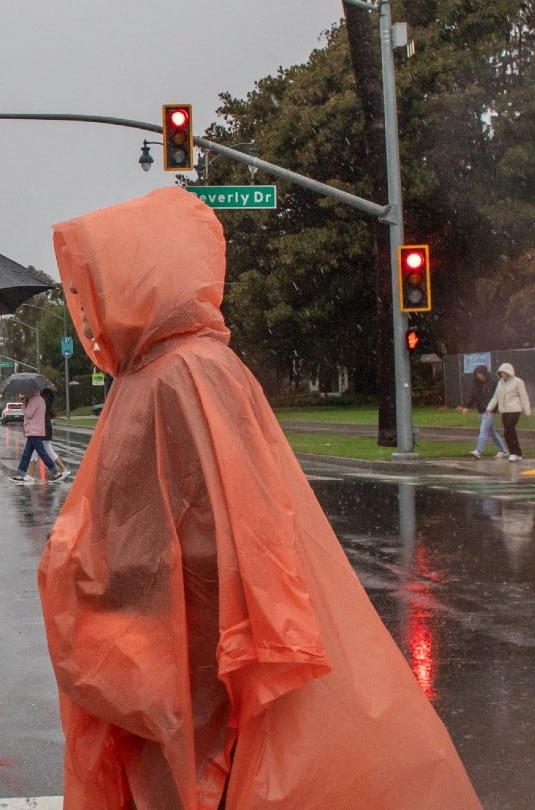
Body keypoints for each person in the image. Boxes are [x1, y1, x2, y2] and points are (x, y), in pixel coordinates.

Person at [38, 187, 480, 809]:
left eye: (99, 281)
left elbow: (194, 533)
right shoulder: (170, 373)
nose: (91, 308)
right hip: (176, 650)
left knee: (202, 780)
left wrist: (79, 571)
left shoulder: (179, 376)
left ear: (141, 276)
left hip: (193, 652)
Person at [9, 389, 64, 483]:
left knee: (42, 453)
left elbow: (29, 414)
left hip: (34, 431)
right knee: (27, 454)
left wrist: (23, 405)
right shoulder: (40, 399)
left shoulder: (34, 400)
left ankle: (56, 473)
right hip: (36, 430)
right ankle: (20, 475)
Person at [487, 361, 531, 462]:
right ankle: (518, 453)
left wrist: (527, 410)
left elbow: (523, 396)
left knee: (508, 431)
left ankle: (513, 453)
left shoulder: (518, 382)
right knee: (511, 432)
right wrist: (489, 408)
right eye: (501, 373)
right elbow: (496, 397)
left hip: (515, 410)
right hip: (504, 411)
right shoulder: (500, 383)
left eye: (504, 372)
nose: (502, 374)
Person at [463, 364, 507, 459]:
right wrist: (467, 406)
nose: (480, 376)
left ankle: (479, 450)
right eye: (478, 375)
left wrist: (499, 408)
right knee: (491, 431)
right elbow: (472, 395)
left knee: (483, 429)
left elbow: (497, 396)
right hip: (481, 409)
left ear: (485, 373)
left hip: (490, 409)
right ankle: (503, 450)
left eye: (481, 374)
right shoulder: (476, 384)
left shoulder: (493, 383)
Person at [40, 384, 70, 477]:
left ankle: (60, 470)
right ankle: (62, 469)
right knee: (48, 450)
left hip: (43, 428)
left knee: (41, 451)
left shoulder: (44, 400)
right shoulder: (47, 399)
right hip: (45, 427)